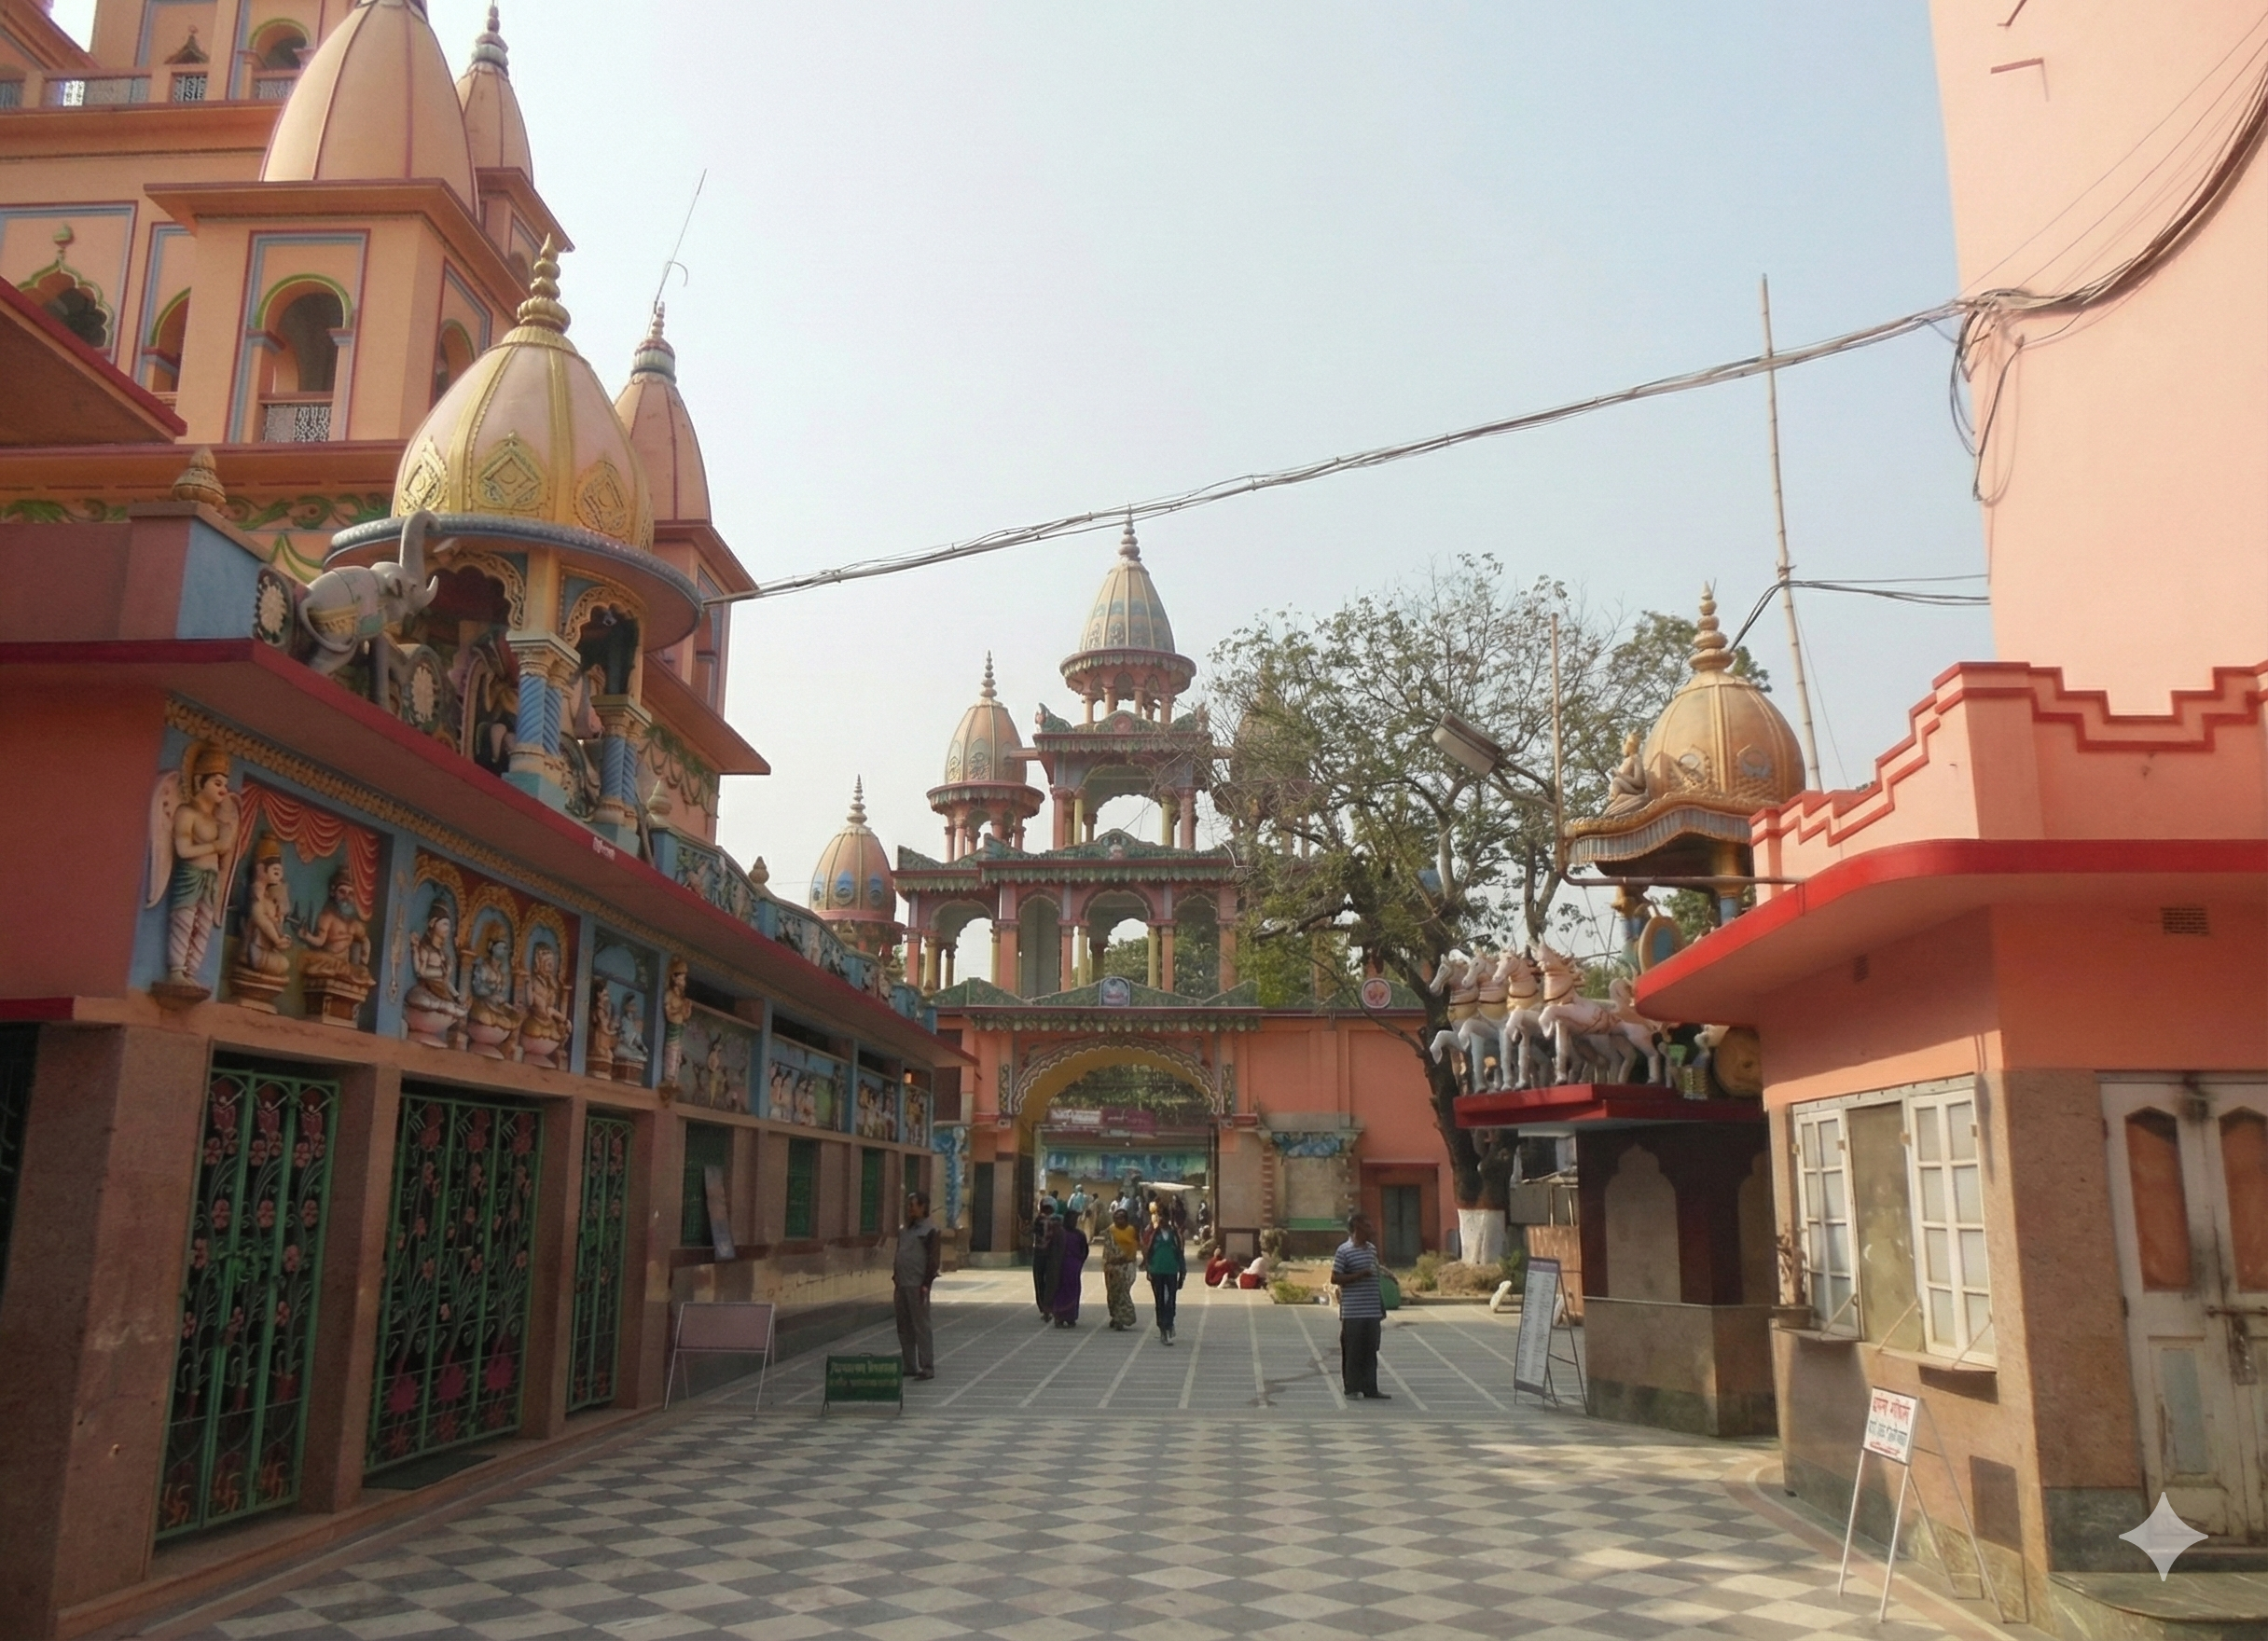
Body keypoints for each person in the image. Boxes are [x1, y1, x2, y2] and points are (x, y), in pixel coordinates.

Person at [1333, 1211, 1390, 1399]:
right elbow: (1335, 1278)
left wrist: (1380, 1304)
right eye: (1368, 1225)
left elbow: (1374, 1276)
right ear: (1357, 1227)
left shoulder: (1371, 1249)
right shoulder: (1344, 1251)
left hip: (1371, 1311)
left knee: (1370, 1351)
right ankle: (1351, 1387)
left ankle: (1370, 1388)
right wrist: (1359, 1275)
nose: (1372, 1229)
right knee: (1353, 1351)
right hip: (1353, 1312)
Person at [894, 1192, 941, 1380]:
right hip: (902, 1283)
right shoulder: (904, 1230)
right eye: (909, 1206)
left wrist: (926, 1283)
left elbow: (933, 1260)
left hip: (917, 1284)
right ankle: (909, 1365)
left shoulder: (930, 1230)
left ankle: (927, 1367)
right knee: (903, 1326)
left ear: (923, 1207)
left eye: (913, 1206)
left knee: (921, 1326)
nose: (910, 1209)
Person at [1143, 1201, 1185, 1345]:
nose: (1161, 1220)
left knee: (1171, 1300)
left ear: (1169, 1218)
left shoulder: (1175, 1234)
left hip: (1171, 1270)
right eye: (1159, 1216)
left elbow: (1180, 1254)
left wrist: (1182, 1274)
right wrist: (1148, 1270)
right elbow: (1147, 1253)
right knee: (1160, 1300)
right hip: (1157, 1270)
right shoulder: (1153, 1234)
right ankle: (1163, 1330)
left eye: (1164, 1217)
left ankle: (1169, 1322)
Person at [1104, 1207, 1141, 1328]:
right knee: (1113, 1293)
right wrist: (1112, 1261)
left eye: (1121, 1218)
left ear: (1126, 1219)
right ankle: (1115, 1316)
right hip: (1113, 1267)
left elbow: (1138, 1244)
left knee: (1123, 1292)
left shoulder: (1132, 1230)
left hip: (1128, 1266)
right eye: (1116, 1218)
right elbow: (1108, 1249)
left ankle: (1123, 1318)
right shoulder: (1110, 1231)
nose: (1118, 1220)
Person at [1053, 1210, 1090, 1327]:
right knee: (1059, 1290)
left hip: (1074, 1267)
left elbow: (1084, 1250)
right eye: (1072, 1219)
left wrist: (1079, 1261)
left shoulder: (1079, 1234)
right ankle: (1059, 1316)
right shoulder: (1059, 1233)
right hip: (1060, 1266)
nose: (1074, 1222)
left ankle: (1071, 1316)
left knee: (1073, 1290)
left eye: (1075, 1219)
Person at [1031, 1198, 1062, 1320]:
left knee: (1040, 1282)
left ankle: (1045, 1308)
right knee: (1051, 1281)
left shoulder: (1039, 1220)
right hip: (1052, 1256)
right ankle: (1049, 1307)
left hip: (1041, 1254)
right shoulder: (1058, 1221)